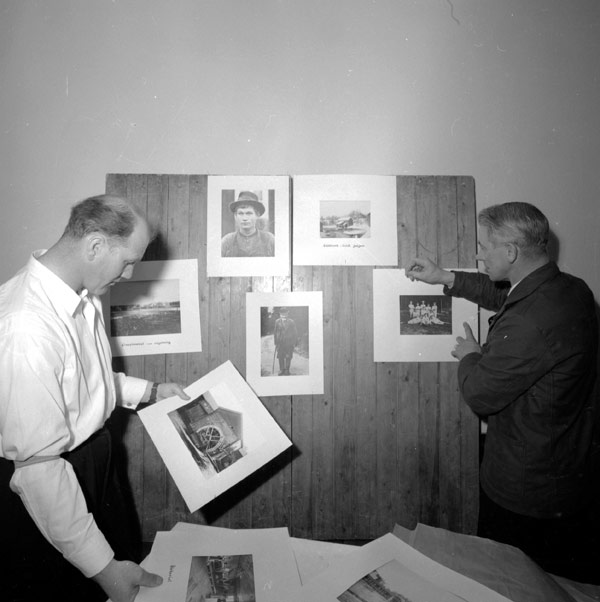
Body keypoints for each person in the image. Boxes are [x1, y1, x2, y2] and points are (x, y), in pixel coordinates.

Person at [0, 194, 190, 602]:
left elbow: (88, 381)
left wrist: (152, 391)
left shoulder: (82, 294)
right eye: (128, 261)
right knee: (78, 587)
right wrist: (104, 571)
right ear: (95, 246)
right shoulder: (25, 325)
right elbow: (39, 472)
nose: (129, 273)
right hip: (53, 481)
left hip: (94, 461)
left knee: (127, 565)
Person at [406, 201, 599, 581]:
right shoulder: (570, 289)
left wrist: (470, 354)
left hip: (526, 488)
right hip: (566, 469)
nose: (479, 255)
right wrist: (445, 277)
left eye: (483, 247)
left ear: (510, 252)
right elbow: (507, 298)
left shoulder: (529, 321)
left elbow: (480, 393)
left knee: (511, 579)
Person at [221, 191, 275, 257]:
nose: (244, 218)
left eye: (249, 213)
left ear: (257, 215)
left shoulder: (270, 240)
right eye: (240, 213)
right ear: (235, 216)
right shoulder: (227, 242)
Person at [273, 307, 298, 376]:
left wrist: (295, 342)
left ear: (287, 314)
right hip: (280, 342)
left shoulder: (291, 322)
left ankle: (287, 370)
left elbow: (295, 332)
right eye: (282, 313)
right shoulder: (277, 321)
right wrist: (276, 342)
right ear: (280, 314)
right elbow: (275, 332)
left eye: (285, 313)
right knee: (280, 356)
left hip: (289, 342)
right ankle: (281, 369)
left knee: (288, 356)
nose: (284, 315)